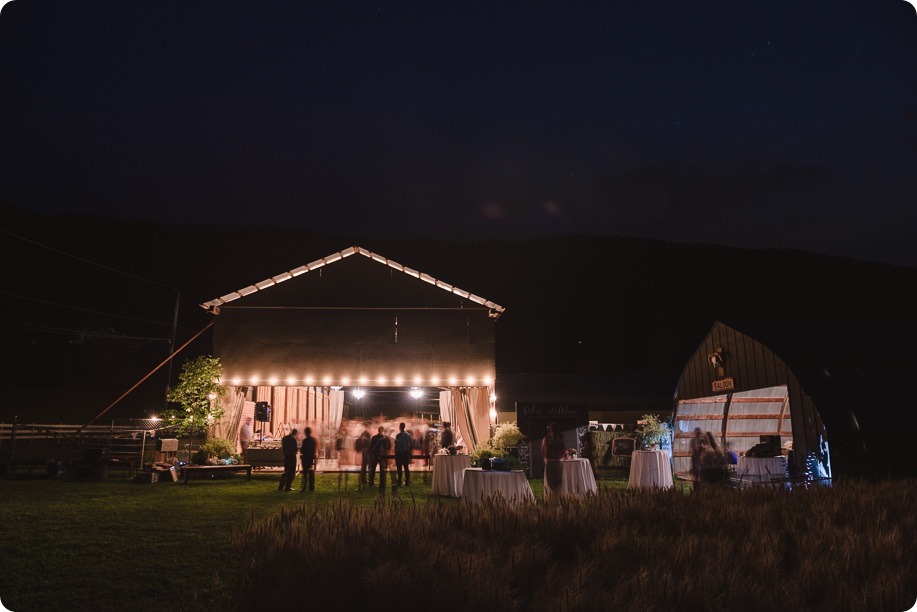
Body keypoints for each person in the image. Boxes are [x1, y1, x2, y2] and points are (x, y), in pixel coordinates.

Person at [542, 422, 566, 493]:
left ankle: (552, 499)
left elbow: (543, 450)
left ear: (551, 429)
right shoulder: (561, 439)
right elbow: (563, 451)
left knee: (550, 482)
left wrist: (545, 458)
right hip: (558, 462)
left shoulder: (546, 439)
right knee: (558, 482)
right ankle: (558, 499)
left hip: (549, 462)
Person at [367, 426, 391, 490]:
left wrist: (371, 454)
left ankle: (371, 482)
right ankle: (381, 483)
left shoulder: (375, 437)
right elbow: (389, 447)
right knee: (381, 469)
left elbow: (371, 447)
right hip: (382, 456)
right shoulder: (385, 438)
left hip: (376, 455)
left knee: (374, 469)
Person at [394, 422, 413, 487]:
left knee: (399, 468)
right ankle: (407, 482)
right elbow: (411, 444)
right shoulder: (408, 435)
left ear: (400, 427)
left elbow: (396, 445)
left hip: (399, 453)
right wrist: (409, 450)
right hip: (406, 453)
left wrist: (395, 453)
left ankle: (399, 482)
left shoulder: (398, 435)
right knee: (406, 468)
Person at [299, 426, 317, 492]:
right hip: (311, 457)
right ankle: (311, 487)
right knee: (311, 472)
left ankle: (304, 487)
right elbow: (315, 449)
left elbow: (302, 450)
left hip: (305, 457)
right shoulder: (313, 440)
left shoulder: (305, 440)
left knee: (305, 472)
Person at [689, 427, 706, 491]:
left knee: (701, 472)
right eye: (697, 433)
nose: (698, 434)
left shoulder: (702, 440)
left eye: (699, 433)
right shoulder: (693, 440)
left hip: (701, 457)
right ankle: (696, 487)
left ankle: (700, 486)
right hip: (695, 457)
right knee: (695, 472)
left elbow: (705, 448)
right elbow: (692, 449)